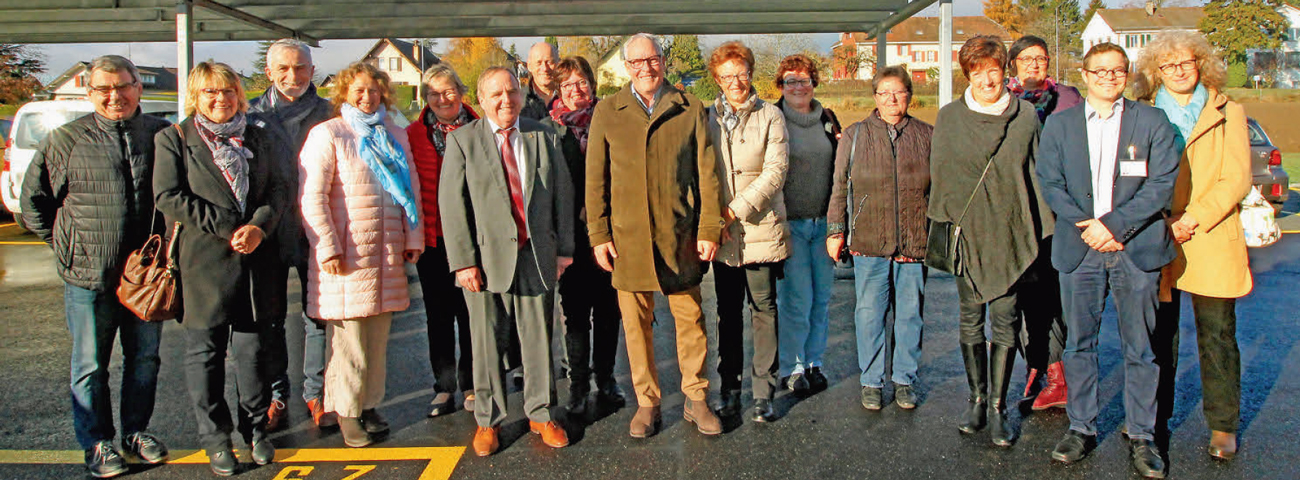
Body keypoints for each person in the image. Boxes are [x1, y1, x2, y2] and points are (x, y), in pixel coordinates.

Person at [21, 54, 171, 479]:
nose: (114, 96)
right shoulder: (65, 140)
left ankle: (136, 432)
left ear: (139, 87)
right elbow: (34, 203)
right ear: (89, 93)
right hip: (88, 277)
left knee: (145, 360)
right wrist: (67, 245)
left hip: (145, 278)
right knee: (90, 364)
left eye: (122, 86)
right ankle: (97, 442)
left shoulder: (161, 135)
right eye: (103, 88)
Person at [1037, 43, 1180, 479]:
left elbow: (1161, 185)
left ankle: (1142, 435)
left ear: (1126, 74)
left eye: (1117, 71)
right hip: (1081, 248)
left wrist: (1114, 226)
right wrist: (1090, 225)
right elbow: (1050, 182)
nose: (1108, 78)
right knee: (1081, 344)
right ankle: (1081, 427)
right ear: (1084, 75)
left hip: (1134, 249)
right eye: (1099, 71)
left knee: (1141, 348)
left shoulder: (1151, 120)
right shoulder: (1060, 125)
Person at [153, 61, 290, 475]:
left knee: (252, 355)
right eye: (211, 92)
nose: (220, 100)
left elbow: (280, 188)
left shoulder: (260, 137)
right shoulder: (174, 139)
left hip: (256, 262)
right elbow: (168, 196)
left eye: (227, 91)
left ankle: (255, 431)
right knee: (206, 356)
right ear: (197, 95)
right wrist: (232, 227)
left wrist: (258, 228)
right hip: (205, 265)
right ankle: (215, 438)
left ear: (238, 94)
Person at [586, 32, 724, 438]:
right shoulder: (609, 111)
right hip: (627, 240)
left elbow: (708, 174)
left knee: (691, 320)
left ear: (663, 61)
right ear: (626, 68)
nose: (646, 68)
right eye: (636, 63)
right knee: (636, 325)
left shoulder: (689, 107)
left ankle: (696, 399)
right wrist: (599, 233)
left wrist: (709, 226)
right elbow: (596, 180)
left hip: (679, 235)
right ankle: (647, 403)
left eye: (653, 60)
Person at [439, 66, 574, 457]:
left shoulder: (543, 134)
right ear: (480, 101)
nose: (505, 100)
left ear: (521, 94)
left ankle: (541, 413)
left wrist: (564, 249)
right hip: (483, 261)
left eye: (511, 92)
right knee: (486, 345)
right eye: (495, 94)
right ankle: (488, 419)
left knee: (537, 342)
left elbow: (563, 194)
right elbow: (453, 206)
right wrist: (464, 262)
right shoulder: (463, 141)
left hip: (536, 254)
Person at [928, 35, 1052, 448]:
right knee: (969, 319)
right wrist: (946, 225)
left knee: (1006, 320)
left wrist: (1040, 231)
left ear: (1005, 71)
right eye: (977, 72)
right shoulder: (949, 117)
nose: (986, 79)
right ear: (968, 74)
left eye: (993, 70)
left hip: (1010, 234)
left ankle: (999, 407)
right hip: (968, 235)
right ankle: (976, 399)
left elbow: (1036, 176)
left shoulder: (1027, 117)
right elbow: (941, 178)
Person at [1135, 31, 1252, 461]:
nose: (1178, 71)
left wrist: (1193, 218)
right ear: (1155, 72)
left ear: (1200, 64)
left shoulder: (1228, 111)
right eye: (1168, 65)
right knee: (1159, 337)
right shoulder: (1142, 114)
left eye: (1186, 62)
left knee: (1218, 335)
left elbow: (1236, 177)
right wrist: (1162, 221)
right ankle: (1154, 421)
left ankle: (1223, 424)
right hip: (1159, 235)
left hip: (1210, 233)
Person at [299, 61, 424, 448]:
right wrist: (327, 245)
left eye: (373, 90)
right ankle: (346, 411)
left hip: (385, 255)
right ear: (344, 94)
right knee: (349, 343)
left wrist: (413, 236)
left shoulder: (394, 135)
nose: (366, 97)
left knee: (377, 341)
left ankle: (369, 405)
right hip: (347, 258)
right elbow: (312, 197)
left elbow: (410, 187)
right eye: (358, 91)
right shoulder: (329, 134)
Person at [827, 65, 932, 412]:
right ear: (874, 97)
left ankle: (905, 379)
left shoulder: (926, 135)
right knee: (869, 313)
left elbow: (940, 189)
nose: (891, 99)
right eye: (884, 92)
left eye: (898, 92)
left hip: (913, 240)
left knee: (909, 315)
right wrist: (835, 230)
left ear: (909, 96)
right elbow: (840, 185)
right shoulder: (856, 136)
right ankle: (871, 380)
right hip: (869, 239)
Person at [247, 38, 336, 431]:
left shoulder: (330, 114)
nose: (292, 75)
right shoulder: (249, 115)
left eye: (300, 68)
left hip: (316, 229)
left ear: (312, 71)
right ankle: (277, 395)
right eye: (283, 68)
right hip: (266, 232)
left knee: (318, 317)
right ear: (269, 72)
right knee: (270, 318)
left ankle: (317, 394)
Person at [704, 41, 790, 423]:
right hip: (724, 237)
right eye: (726, 76)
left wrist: (734, 210)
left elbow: (775, 171)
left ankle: (764, 391)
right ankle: (729, 388)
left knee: (763, 311)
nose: (735, 82)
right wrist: (711, 219)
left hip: (759, 229)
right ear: (717, 80)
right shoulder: (707, 117)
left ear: (751, 73)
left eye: (740, 73)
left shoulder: (770, 115)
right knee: (726, 313)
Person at [541, 55, 627, 416]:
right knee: (574, 313)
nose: (577, 90)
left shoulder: (611, 120)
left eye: (582, 83)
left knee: (608, 310)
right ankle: (577, 385)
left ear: (593, 84)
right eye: (568, 85)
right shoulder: (547, 129)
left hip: (608, 230)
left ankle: (606, 379)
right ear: (558, 89)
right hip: (569, 236)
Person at [1006, 35, 1084, 412]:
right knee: (1017, 299)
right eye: (1025, 58)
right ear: (1013, 65)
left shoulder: (1068, 99)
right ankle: (1035, 367)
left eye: (1040, 58)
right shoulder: (1003, 100)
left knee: (1051, 298)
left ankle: (1057, 376)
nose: (1034, 64)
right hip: (1011, 213)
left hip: (1056, 212)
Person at [405, 63, 479, 418]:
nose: (442, 98)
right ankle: (444, 386)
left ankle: (471, 383)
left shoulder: (481, 128)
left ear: (461, 93)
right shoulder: (412, 134)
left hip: (474, 238)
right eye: (434, 93)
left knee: (470, 314)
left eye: (448, 91)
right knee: (438, 315)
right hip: (433, 240)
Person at [774, 54, 841, 397]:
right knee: (796, 300)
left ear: (814, 83)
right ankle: (793, 366)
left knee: (822, 299)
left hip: (824, 226)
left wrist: (838, 224)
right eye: (790, 81)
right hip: (791, 225)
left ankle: (815, 362)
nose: (798, 87)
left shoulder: (828, 120)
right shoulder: (772, 119)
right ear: (780, 86)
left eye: (804, 80)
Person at [521, 41, 560, 120]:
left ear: (558, 63)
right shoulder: (519, 101)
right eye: (538, 63)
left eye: (549, 62)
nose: (545, 68)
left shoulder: (570, 97)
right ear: (529, 66)